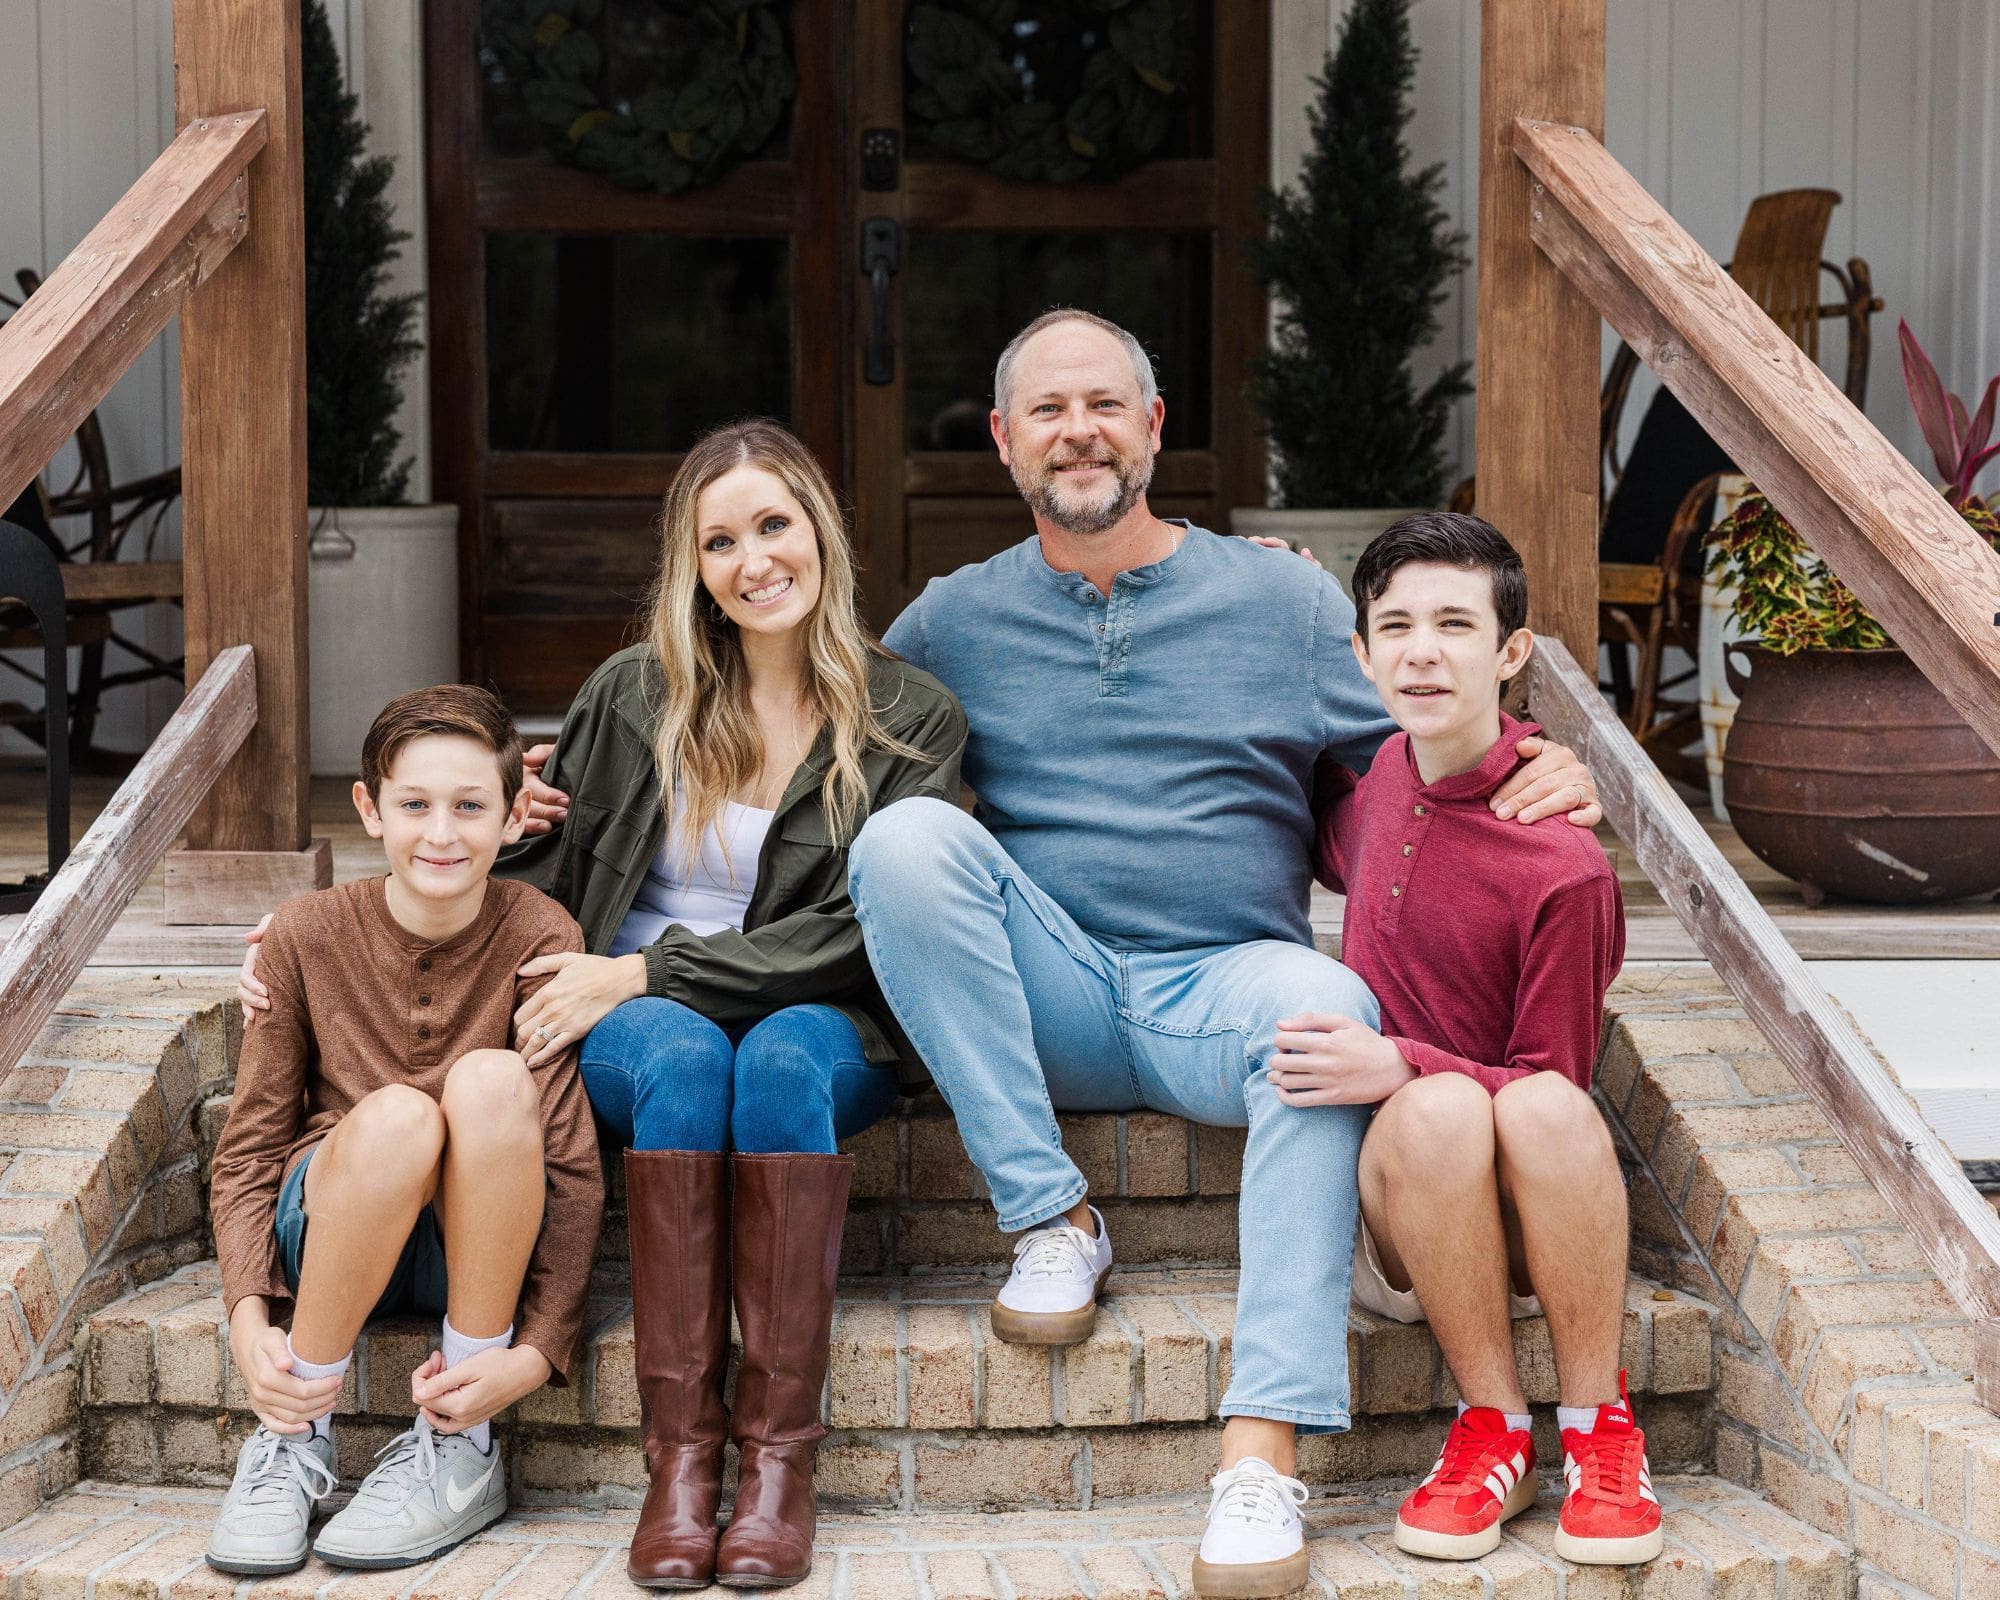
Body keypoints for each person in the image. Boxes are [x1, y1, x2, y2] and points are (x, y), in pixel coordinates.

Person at [841, 308, 1604, 1600]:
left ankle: (1261, 1450)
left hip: (1225, 985)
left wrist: (1541, 764)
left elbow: (1417, 753)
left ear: (1152, 427)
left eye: (1103, 404)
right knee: (906, 842)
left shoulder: (1288, 600)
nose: (1076, 430)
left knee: (1321, 1006)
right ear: (1003, 444)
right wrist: (564, 793)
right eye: (1046, 411)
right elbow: (802, 745)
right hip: (1055, 991)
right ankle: (1049, 1217)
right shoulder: (950, 620)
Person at [238, 421, 965, 1590]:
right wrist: (326, 928)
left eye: (772, 525)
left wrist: (648, 969)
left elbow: (863, 931)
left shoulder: (907, 714)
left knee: (777, 1066)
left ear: (818, 532)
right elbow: (531, 864)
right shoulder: (633, 694)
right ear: (692, 565)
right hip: (627, 1015)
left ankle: (777, 1465)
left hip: (823, 1011)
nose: (752, 560)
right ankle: (680, 1462)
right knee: (683, 1062)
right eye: (718, 540)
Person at [1293, 512, 1654, 1566]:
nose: (1420, 650)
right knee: (1439, 1110)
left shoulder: (1561, 865)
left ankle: (1597, 1428)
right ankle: (1490, 1427)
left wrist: (1400, 1059)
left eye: (1454, 624)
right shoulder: (1373, 783)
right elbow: (1320, 817)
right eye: (1393, 625)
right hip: (1404, 1208)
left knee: (1528, 1102)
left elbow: (1552, 1080)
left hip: (1524, 1195)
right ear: (1359, 653)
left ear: (1508, 653)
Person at [206, 685, 604, 1576]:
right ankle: (294, 1430)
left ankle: (462, 1439)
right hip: (330, 1228)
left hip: (471, 1248)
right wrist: (247, 1318)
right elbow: (247, 1151)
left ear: (512, 821)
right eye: (414, 805)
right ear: (369, 808)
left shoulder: (542, 932)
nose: (440, 833)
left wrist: (536, 1353)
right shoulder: (304, 935)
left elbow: (571, 1163)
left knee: (494, 1079)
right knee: (395, 1116)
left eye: (470, 807)